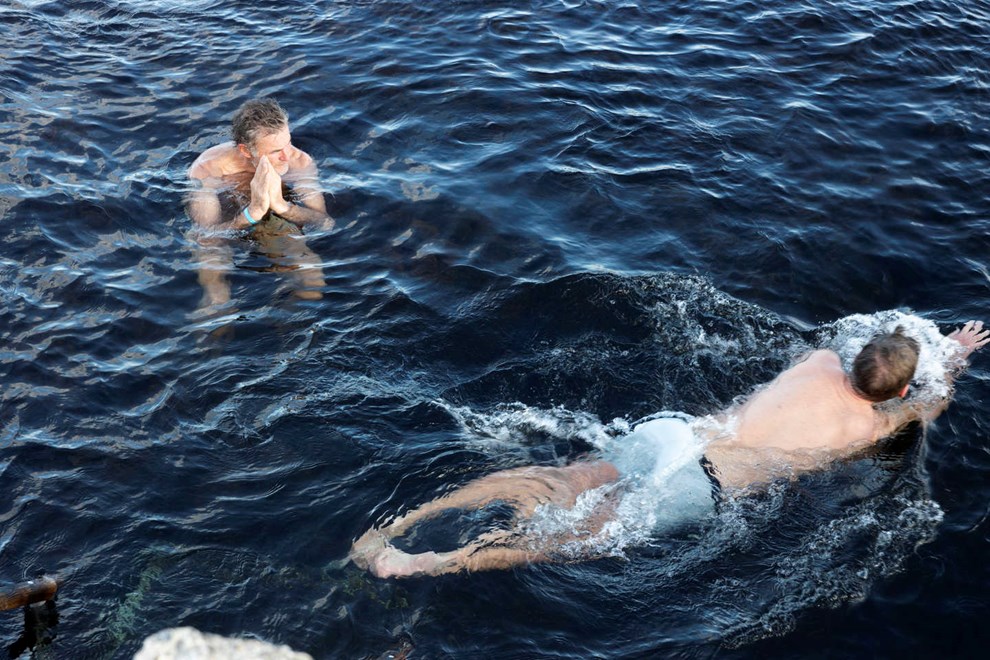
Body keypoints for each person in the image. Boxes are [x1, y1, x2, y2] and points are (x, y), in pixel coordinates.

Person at [350, 320, 989, 578]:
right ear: (897, 389)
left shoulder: (819, 362)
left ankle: (397, 524)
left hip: (674, 434)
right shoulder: (870, 430)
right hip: (704, 484)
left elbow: (846, 356)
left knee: (555, 480)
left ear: (856, 356)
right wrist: (955, 353)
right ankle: (422, 564)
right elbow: (931, 402)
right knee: (575, 537)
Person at [187, 97, 332, 309]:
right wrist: (251, 214)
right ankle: (215, 321)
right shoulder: (208, 168)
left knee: (312, 282)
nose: (287, 156)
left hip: (275, 220)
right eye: (275, 151)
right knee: (216, 293)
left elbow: (325, 223)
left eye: (288, 143)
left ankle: (284, 320)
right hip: (230, 215)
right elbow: (206, 236)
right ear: (246, 151)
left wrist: (282, 207)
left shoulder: (299, 162)